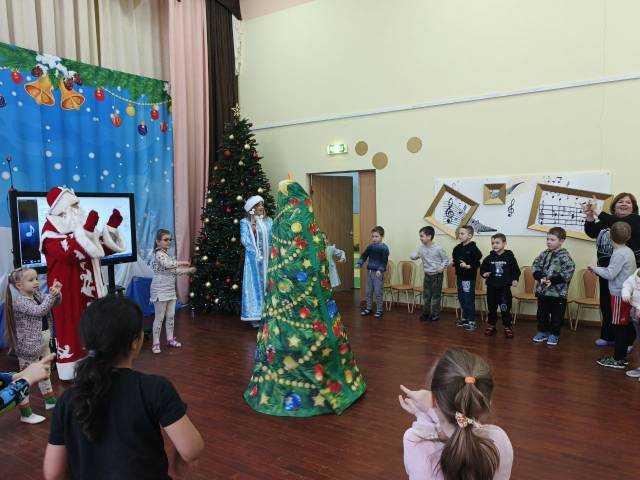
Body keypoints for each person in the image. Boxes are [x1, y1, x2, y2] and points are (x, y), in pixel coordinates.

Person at [43, 296, 204, 479]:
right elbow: (191, 450)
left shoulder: (67, 400)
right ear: (135, 342)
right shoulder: (154, 388)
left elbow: (52, 473)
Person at [243, 179, 366, 416]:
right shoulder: (306, 217)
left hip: (285, 295)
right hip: (310, 294)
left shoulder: (280, 220)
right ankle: (335, 382)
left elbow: (280, 257)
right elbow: (316, 249)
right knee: (319, 329)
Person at [40, 186, 126, 380]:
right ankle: (72, 371)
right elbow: (69, 253)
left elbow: (99, 250)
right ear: (62, 209)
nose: (78, 208)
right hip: (69, 293)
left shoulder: (81, 226)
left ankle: (97, 365)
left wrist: (111, 228)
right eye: (73, 205)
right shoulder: (50, 233)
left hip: (89, 290)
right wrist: (86, 230)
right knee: (72, 328)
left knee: (94, 327)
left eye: (77, 204)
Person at [400, 348, 513, 480]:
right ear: (487, 403)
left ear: (434, 401)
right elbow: (462, 424)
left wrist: (424, 416)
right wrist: (433, 407)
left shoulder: (417, 443)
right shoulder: (499, 439)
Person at [4, 267, 61, 424]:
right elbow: (40, 311)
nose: (36, 282)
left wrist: (56, 292)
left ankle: (50, 400)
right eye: (31, 280)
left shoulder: (36, 295)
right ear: (19, 285)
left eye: (36, 278)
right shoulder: (20, 302)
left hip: (43, 342)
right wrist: (51, 296)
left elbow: (54, 303)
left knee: (45, 372)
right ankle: (25, 413)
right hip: (28, 347)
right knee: (25, 379)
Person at [583, 192, 640, 347]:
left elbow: (619, 223)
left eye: (628, 202)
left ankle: (627, 341)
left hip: (626, 274)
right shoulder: (607, 220)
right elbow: (592, 232)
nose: (624, 204)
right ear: (614, 205)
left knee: (626, 306)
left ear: (633, 207)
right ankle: (608, 336)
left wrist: (598, 212)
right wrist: (590, 216)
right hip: (606, 270)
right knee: (607, 304)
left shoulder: (635, 220)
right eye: (620, 201)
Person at [589, 222, 637, 369]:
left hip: (619, 295)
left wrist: (595, 269)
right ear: (628, 236)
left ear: (610, 237)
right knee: (624, 325)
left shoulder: (619, 253)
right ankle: (621, 357)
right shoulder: (628, 250)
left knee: (619, 327)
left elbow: (610, 274)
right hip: (626, 294)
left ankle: (618, 359)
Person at [150, 229, 196, 354]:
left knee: (170, 316)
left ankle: (170, 339)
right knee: (159, 318)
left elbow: (174, 271)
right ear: (157, 241)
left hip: (170, 290)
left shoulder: (166, 254)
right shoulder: (158, 254)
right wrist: (184, 263)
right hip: (159, 290)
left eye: (170, 239)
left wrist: (188, 271)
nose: (168, 242)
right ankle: (155, 343)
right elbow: (168, 265)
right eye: (165, 240)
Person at [531, 227, 575, 347]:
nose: (549, 242)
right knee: (542, 314)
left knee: (557, 316)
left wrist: (553, 281)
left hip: (558, 294)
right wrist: (539, 276)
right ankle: (542, 332)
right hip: (543, 292)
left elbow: (569, 271)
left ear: (561, 241)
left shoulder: (565, 256)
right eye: (547, 239)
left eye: (552, 240)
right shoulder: (544, 254)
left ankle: (554, 334)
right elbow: (535, 266)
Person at [240, 195, 273, 327]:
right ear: (252, 208)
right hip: (254, 261)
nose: (261, 207)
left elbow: (273, 237)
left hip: (269, 258)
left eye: (261, 205)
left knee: (269, 284)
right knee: (256, 285)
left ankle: (270, 313)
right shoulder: (245, 222)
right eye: (258, 205)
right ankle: (256, 315)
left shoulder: (269, 221)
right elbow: (245, 241)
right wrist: (253, 225)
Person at [480, 234, 521, 339]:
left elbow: (516, 271)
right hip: (491, 288)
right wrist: (484, 274)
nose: (494, 245)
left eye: (497, 243)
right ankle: (491, 325)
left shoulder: (509, 257)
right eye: (493, 243)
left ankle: (507, 327)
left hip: (504, 289)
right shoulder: (489, 258)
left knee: (505, 308)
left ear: (504, 243)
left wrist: (515, 279)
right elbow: (482, 269)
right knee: (492, 308)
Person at [410, 226, 449, 322]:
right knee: (426, 296)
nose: (420, 238)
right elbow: (415, 256)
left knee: (435, 296)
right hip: (427, 275)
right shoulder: (421, 248)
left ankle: (435, 314)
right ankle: (426, 313)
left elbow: (446, 260)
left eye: (422, 236)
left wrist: (441, 268)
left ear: (429, 236)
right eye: (420, 236)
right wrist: (413, 256)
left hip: (437, 276)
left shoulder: (438, 248)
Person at [452, 225, 482, 331]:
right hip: (459, 277)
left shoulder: (473, 248)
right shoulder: (457, 248)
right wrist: (454, 263)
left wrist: (468, 266)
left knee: (468, 299)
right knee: (462, 298)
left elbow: (477, 262)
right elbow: (455, 260)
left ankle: (471, 321)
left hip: (468, 278)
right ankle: (465, 318)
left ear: (469, 236)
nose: (459, 235)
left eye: (462, 233)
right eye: (459, 233)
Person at [357, 226, 390, 318]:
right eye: (373, 236)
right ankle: (369, 308)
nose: (374, 238)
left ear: (382, 237)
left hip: (378, 273)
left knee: (378, 292)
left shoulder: (384, 248)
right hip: (369, 272)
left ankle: (379, 310)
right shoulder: (370, 247)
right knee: (368, 291)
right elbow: (364, 256)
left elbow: (384, 261)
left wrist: (380, 270)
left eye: (376, 236)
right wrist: (360, 263)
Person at [622, 268, 640, 379]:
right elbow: (628, 283)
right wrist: (626, 293)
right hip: (635, 312)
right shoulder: (638, 272)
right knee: (638, 340)